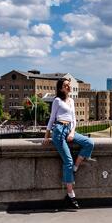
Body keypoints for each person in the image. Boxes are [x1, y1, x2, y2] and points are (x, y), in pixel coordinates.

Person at [43, 78, 95, 209]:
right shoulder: (57, 101)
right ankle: (71, 194)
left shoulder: (72, 100)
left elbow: (74, 120)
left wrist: (72, 132)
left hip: (69, 130)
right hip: (59, 131)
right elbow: (52, 119)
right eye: (66, 86)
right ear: (60, 88)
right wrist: (46, 136)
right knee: (68, 161)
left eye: (69, 85)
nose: (68, 87)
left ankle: (76, 167)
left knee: (89, 143)